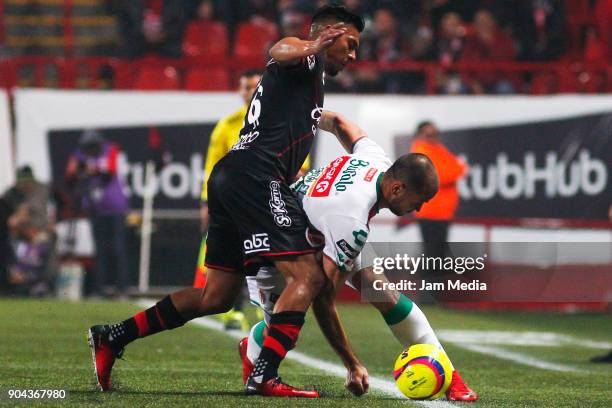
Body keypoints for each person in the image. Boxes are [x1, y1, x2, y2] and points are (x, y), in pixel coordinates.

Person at [88, 5, 363, 398]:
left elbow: (321, 116)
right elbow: (280, 48)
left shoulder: (311, 81)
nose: (353, 55)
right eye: (349, 45)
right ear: (328, 34)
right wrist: (313, 45)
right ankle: (264, 374)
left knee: (214, 296)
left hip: (232, 176)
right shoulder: (303, 61)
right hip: (256, 175)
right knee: (308, 276)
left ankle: (114, 336)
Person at [239, 110, 477, 401]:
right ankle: (253, 346)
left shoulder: (377, 159)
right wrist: (352, 364)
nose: (419, 210)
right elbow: (324, 301)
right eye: (419, 201)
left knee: (384, 293)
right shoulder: (350, 219)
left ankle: (452, 379)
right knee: (286, 324)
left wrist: (306, 115)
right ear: (398, 188)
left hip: (317, 227)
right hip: (283, 239)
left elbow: (338, 123)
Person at [65, 130, 129, 297]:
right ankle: (99, 289)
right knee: (99, 251)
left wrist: (91, 169)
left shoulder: (110, 149)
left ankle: (122, 289)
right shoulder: (80, 153)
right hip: (95, 208)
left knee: (117, 248)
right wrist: (81, 169)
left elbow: (110, 168)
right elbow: (70, 171)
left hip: (114, 207)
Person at [410, 121, 467, 265]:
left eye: (435, 133)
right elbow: (441, 175)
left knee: (438, 253)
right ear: (421, 135)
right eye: (429, 134)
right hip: (431, 212)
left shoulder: (437, 149)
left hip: (441, 213)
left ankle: (435, 284)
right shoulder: (422, 151)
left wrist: (457, 168)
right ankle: (431, 286)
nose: (433, 136)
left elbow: (452, 167)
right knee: (433, 254)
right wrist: (459, 169)